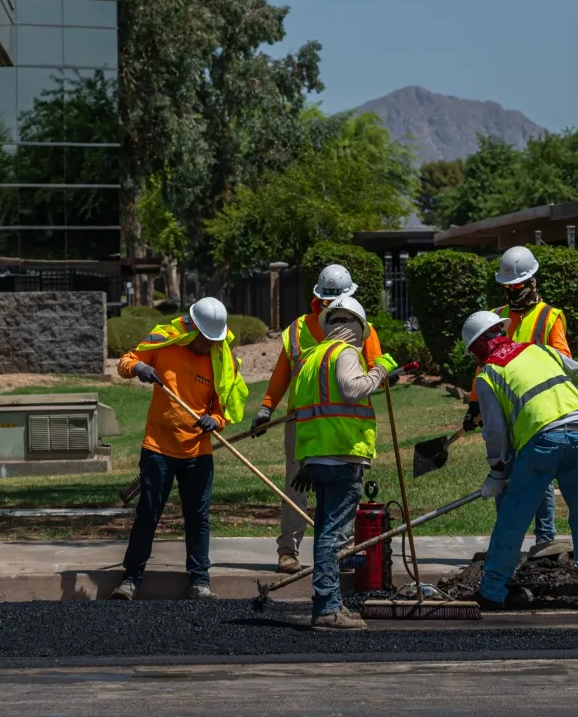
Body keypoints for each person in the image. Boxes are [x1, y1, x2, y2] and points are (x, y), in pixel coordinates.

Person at [462, 308, 578, 611]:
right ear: (500, 332)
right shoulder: (539, 350)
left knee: (513, 518)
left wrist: (497, 470)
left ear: (478, 346)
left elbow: (495, 432)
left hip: (542, 441)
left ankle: (492, 590)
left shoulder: (489, 374)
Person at [112, 296, 247, 601]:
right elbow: (124, 362)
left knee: (198, 517)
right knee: (148, 514)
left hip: (197, 453)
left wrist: (215, 419)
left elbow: (220, 405)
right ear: (191, 328)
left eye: (213, 340)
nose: (207, 345)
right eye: (203, 338)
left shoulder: (221, 359)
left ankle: (200, 581)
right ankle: (130, 580)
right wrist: (139, 367)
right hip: (158, 449)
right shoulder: (164, 343)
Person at [251, 264, 383, 575]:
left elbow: (376, 369)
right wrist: (266, 408)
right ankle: (288, 551)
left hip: (344, 424)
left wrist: (382, 375)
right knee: (296, 486)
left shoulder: (362, 328)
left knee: (344, 486)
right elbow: (282, 375)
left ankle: (344, 548)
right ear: (318, 301)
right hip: (305, 424)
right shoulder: (297, 331)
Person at [284, 295, 399, 631]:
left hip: (316, 459)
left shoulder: (310, 357)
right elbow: (352, 389)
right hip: (341, 456)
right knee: (333, 537)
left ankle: (329, 603)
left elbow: (303, 413)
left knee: (324, 531)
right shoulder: (345, 353)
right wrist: (380, 369)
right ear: (355, 328)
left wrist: (306, 460)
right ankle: (328, 608)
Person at [475, 244, 573, 552]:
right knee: (503, 469)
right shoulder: (496, 317)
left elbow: (563, 360)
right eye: (507, 286)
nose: (512, 291)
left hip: (536, 410)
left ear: (532, 282)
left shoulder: (549, 317)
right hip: (503, 407)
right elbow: (484, 360)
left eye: (517, 285)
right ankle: (506, 542)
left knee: (539, 475)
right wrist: (473, 401)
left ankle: (545, 540)